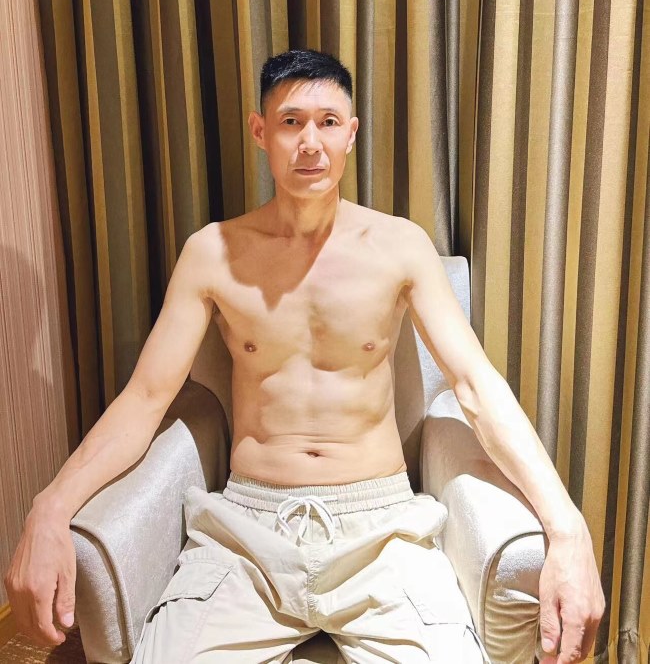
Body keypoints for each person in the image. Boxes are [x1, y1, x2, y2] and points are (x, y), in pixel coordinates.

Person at [4, 49, 605, 663]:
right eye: (290, 122)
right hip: (247, 531)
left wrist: (566, 527)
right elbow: (145, 398)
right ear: (260, 131)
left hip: (382, 530)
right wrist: (50, 507)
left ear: (351, 133)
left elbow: (476, 385)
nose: (310, 142)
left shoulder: (401, 246)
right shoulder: (212, 253)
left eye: (328, 122)